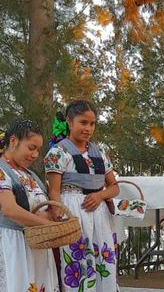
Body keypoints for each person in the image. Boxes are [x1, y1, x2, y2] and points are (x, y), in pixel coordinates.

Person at [0, 119, 59, 292]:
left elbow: (40, 208)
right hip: (10, 244)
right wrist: (49, 226)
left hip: (35, 246)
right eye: (31, 147)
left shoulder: (30, 175)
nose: (35, 155)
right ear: (13, 141)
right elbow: (10, 210)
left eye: (38, 150)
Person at [44, 100, 119, 292]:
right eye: (83, 123)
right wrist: (60, 215)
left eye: (92, 124)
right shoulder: (58, 152)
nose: (88, 128)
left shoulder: (99, 152)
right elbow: (54, 190)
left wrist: (101, 196)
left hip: (99, 212)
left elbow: (114, 187)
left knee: (103, 259)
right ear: (69, 122)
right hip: (74, 211)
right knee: (78, 260)